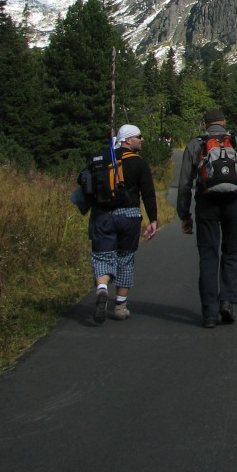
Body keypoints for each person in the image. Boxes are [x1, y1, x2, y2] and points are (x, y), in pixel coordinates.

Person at [177, 108, 237, 328]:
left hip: (207, 203)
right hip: (234, 202)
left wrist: (184, 215)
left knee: (208, 255)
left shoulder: (196, 144)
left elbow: (185, 184)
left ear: (206, 124)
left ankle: (209, 313)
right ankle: (227, 302)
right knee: (230, 252)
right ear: (224, 122)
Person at [89, 124, 159, 324]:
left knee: (102, 256)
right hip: (129, 215)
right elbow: (148, 193)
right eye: (139, 136)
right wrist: (152, 219)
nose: (142, 139)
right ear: (128, 140)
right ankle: (120, 306)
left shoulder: (103, 160)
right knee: (125, 259)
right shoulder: (139, 163)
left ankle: (102, 289)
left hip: (103, 215)